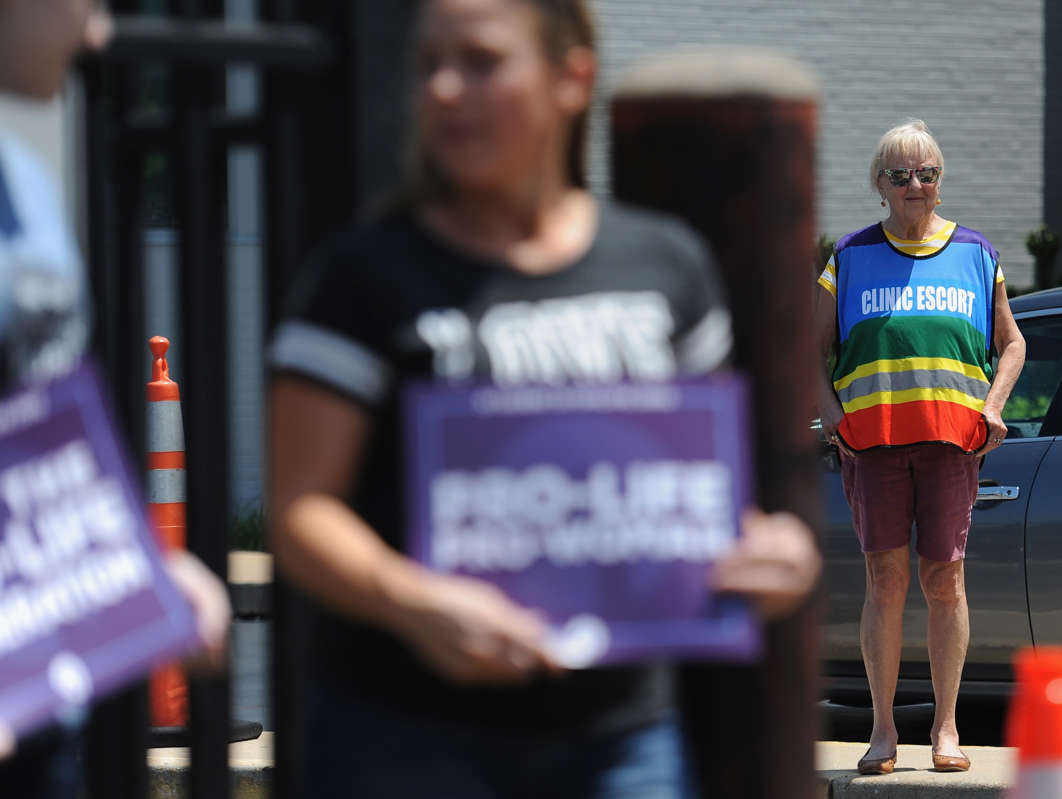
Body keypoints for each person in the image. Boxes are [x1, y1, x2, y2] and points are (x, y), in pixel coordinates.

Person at [266, 0, 821, 795]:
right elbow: (299, 510)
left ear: (572, 77)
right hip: (407, 739)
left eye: (482, 61)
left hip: (621, 741)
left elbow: (709, 496)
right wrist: (415, 602)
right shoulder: (360, 276)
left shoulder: (667, 266)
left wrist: (777, 553)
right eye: (429, 66)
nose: (446, 90)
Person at [0, 1, 231, 793]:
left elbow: (33, 450)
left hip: (36, 714)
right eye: (87, 0)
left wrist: (140, 572)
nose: (100, 32)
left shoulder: (22, 184)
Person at [815, 119, 1025, 776]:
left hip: (951, 445)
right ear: (879, 185)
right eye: (901, 175)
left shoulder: (976, 253)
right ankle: (882, 730)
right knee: (885, 581)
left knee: (945, 581)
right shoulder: (848, 258)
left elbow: (1011, 343)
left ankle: (946, 726)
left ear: (941, 181)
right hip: (872, 446)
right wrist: (833, 421)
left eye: (927, 173)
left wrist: (993, 408)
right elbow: (807, 348)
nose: (915, 185)